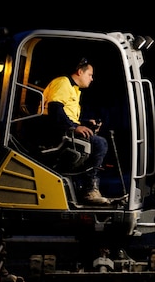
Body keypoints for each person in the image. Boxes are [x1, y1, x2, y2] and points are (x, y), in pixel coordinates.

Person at [41, 58, 111, 205]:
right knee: (99, 144)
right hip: (54, 132)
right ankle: (89, 190)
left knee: (95, 140)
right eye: (90, 75)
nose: (92, 78)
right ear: (80, 72)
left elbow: (67, 114)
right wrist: (74, 127)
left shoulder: (74, 89)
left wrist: (85, 123)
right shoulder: (62, 83)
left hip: (64, 129)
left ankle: (83, 186)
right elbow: (54, 109)